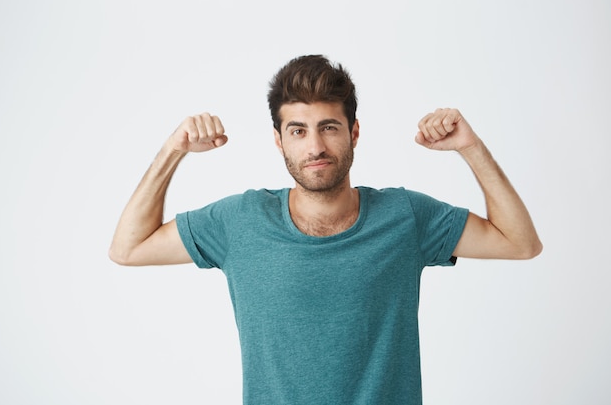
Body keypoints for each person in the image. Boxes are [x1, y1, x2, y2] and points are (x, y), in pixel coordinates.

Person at [109, 54, 542, 404]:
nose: (315, 146)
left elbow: (520, 243)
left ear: (354, 132)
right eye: (298, 131)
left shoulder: (405, 216)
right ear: (279, 140)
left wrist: (470, 147)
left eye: (329, 128)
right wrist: (173, 150)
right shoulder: (240, 221)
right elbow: (128, 248)